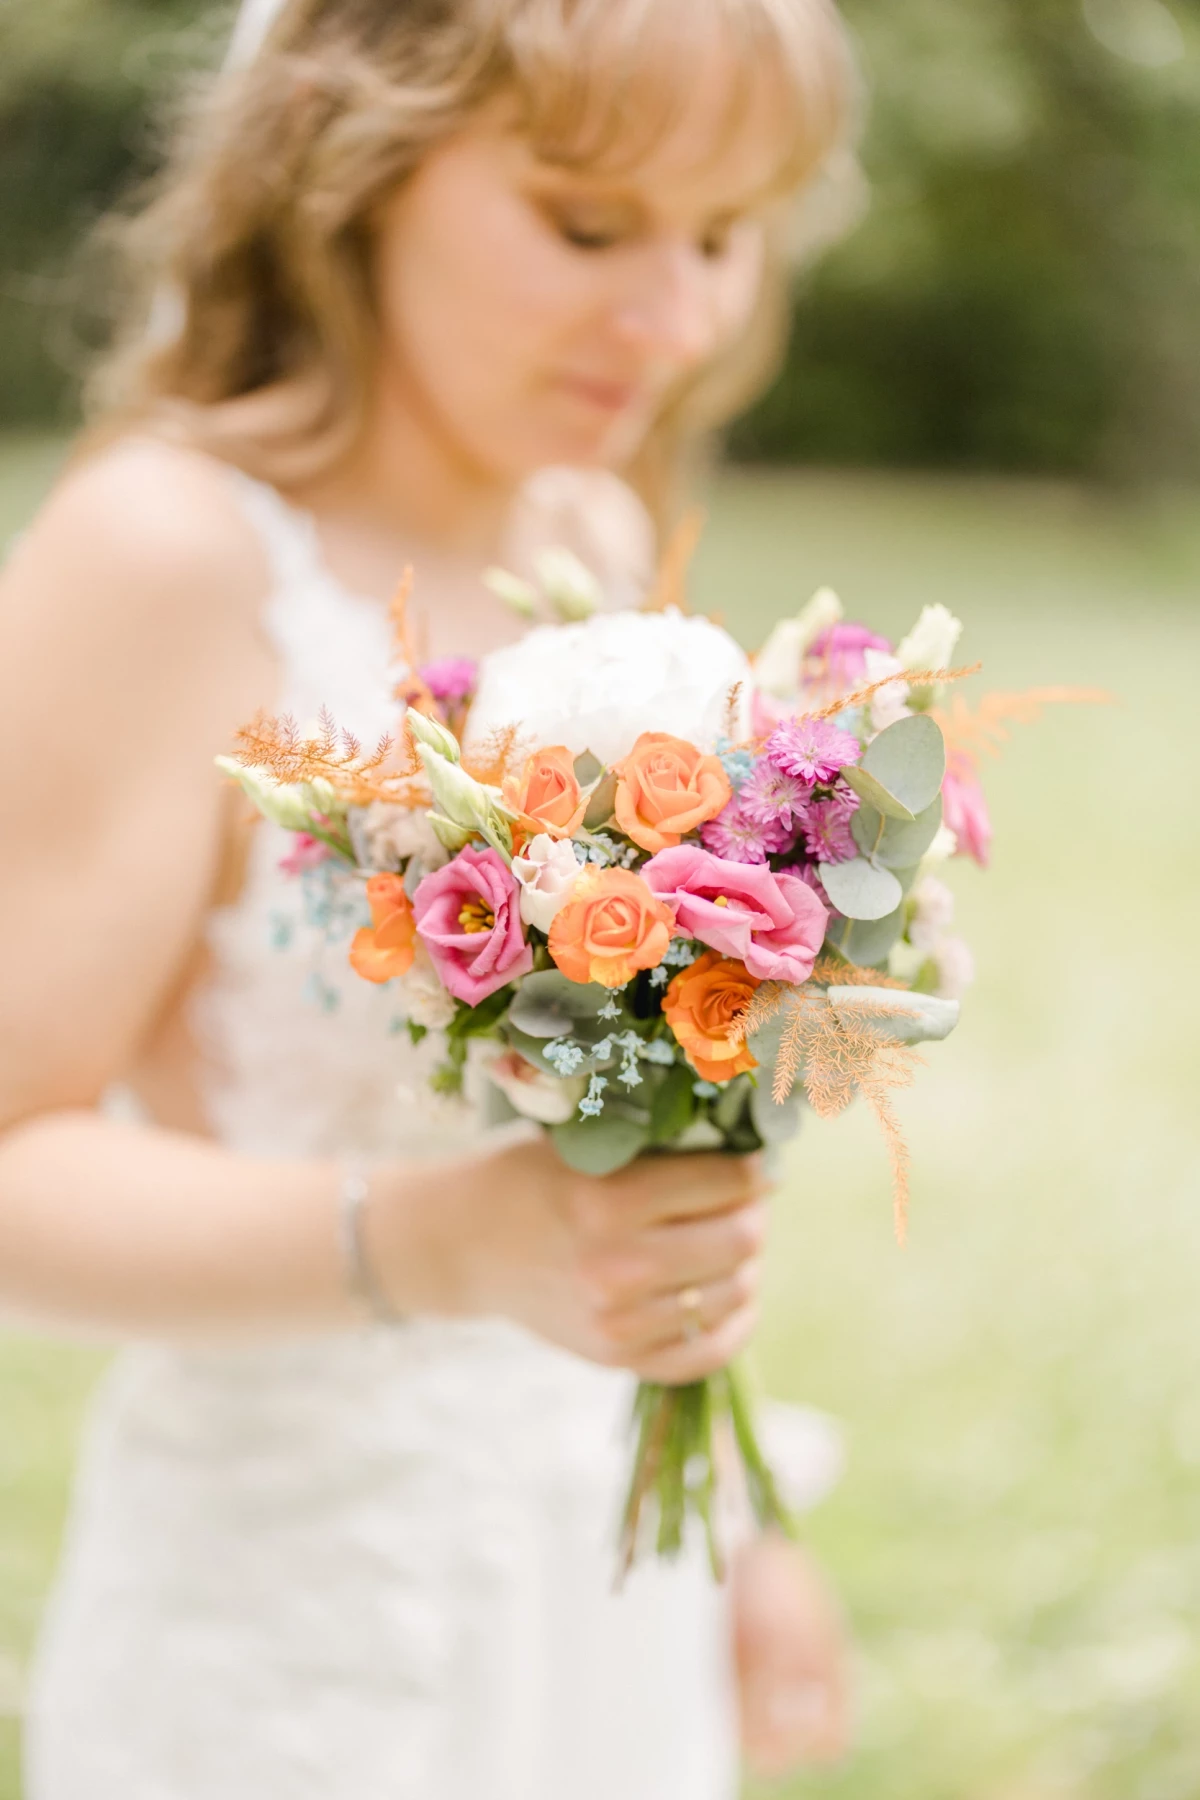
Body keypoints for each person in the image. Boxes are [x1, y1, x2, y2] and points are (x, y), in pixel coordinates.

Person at [0, 0, 856, 1793]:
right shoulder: (162, 556)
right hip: (304, 1643)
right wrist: (443, 1241)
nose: (681, 317)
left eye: (722, 232)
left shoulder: (589, 539)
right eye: (589, 222)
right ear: (351, 158)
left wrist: (741, 1515)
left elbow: (637, 1121)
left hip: (597, 1595)